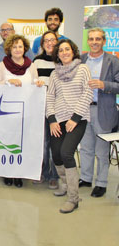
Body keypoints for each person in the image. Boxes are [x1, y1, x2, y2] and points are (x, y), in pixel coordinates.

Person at [46, 39, 93, 213]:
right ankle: (65, 185)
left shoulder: (83, 69)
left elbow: (88, 93)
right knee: (56, 154)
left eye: (67, 49)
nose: (64, 52)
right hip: (58, 119)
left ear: (73, 51)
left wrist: (75, 118)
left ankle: (73, 198)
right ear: (57, 55)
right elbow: (50, 97)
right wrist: (52, 119)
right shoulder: (54, 74)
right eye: (61, 50)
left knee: (66, 153)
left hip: (77, 119)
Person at [0, 34, 44, 188]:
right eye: (14, 46)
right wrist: (7, 81)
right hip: (7, 112)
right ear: (9, 49)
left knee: (23, 143)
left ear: (25, 48)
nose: (17, 49)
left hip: (26, 112)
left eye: (20, 46)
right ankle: (7, 173)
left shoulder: (31, 65)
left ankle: (20, 173)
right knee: (8, 143)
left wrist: (39, 83)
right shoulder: (2, 65)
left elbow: (35, 82)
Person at [79, 28, 119, 197]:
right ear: (87, 41)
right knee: (86, 147)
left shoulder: (113, 61)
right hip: (83, 109)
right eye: (91, 39)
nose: (94, 42)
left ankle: (101, 183)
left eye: (98, 39)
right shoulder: (81, 60)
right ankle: (86, 178)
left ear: (104, 41)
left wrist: (104, 85)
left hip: (103, 110)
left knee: (102, 150)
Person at [33, 31, 60, 190]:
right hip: (41, 107)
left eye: (52, 40)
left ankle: (54, 176)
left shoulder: (63, 60)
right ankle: (41, 172)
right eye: (46, 41)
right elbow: (34, 82)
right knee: (42, 142)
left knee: (55, 143)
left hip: (58, 108)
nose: (49, 43)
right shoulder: (37, 61)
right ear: (42, 44)